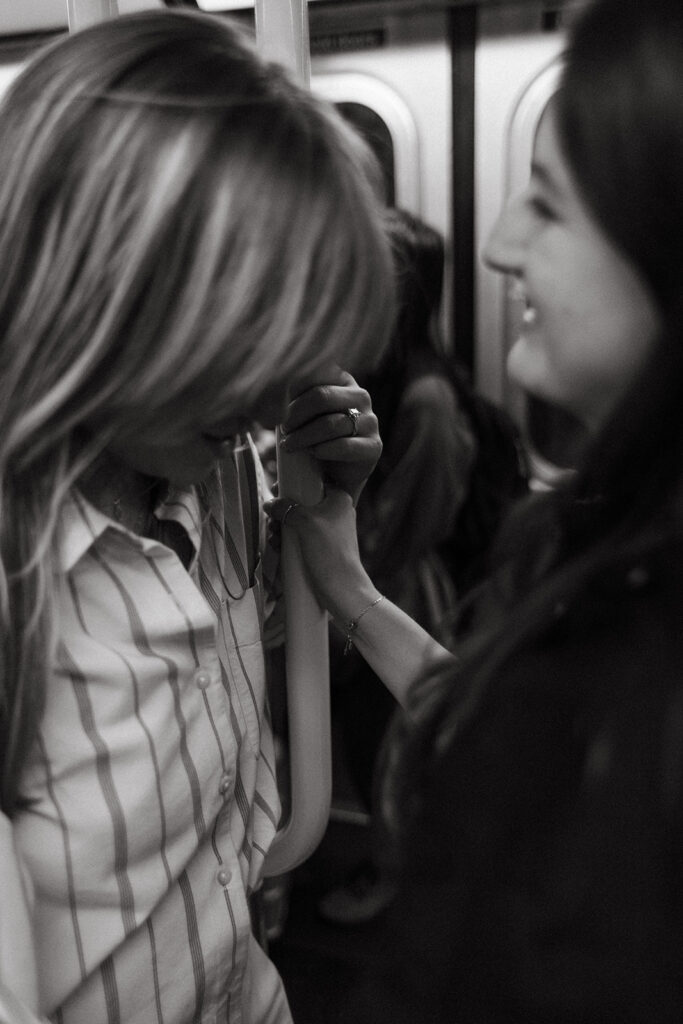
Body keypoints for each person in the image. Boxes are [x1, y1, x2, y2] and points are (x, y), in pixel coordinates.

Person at [267, 0, 683, 1018]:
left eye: (543, 205)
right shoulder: (616, 534)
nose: (499, 246)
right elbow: (506, 730)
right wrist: (345, 581)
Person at [0, 11, 395, 1024]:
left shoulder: (218, 471)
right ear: (96, 301)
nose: (270, 404)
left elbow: (217, 672)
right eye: (236, 353)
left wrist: (322, 539)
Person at [318, 208, 477, 925]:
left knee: (389, 750)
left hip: (402, 588)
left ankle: (394, 875)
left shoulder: (428, 401)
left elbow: (409, 526)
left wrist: (344, 582)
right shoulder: (375, 381)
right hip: (369, 583)